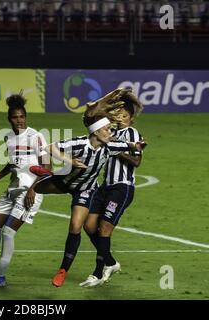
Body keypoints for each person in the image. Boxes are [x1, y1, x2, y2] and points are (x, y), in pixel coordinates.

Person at [26, 110, 146, 288]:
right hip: (65, 181)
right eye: (107, 129)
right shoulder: (79, 142)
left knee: (76, 225)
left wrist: (137, 146)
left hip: (85, 189)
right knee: (31, 189)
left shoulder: (110, 147)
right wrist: (70, 161)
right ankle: (42, 177)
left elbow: (130, 147)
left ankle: (62, 271)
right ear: (96, 132)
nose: (110, 133)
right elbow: (49, 147)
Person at [0, 93, 51, 287]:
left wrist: (33, 189)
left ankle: (1, 277)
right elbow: (13, 163)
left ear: (26, 117)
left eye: (22, 116)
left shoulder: (36, 137)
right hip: (13, 189)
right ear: (9, 119)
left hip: (31, 191)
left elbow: (47, 168)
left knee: (7, 232)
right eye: (15, 117)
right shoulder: (9, 138)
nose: (19, 120)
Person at [79, 92, 145, 288]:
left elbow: (137, 161)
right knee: (89, 225)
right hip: (105, 186)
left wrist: (117, 149)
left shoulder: (132, 133)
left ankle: (98, 273)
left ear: (131, 118)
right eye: (119, 114)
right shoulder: (111, 133)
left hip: (122, 187)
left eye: (125, 115)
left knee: (105, 229)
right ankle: (111, 262)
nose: (121, 118)